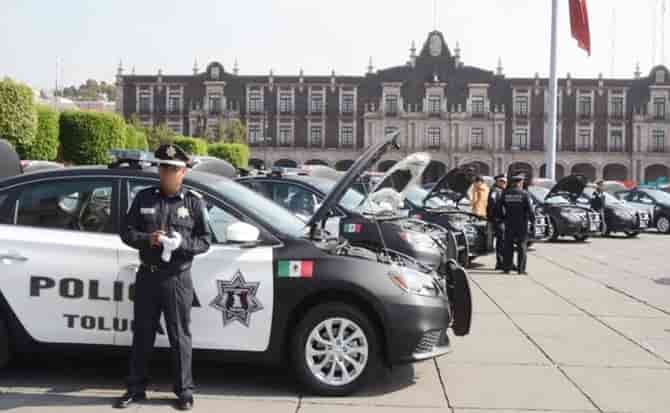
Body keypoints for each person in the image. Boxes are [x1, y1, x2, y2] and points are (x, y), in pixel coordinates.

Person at [115, 144, 212, 411]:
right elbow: (126, 232)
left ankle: (184, 392)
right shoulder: (144, 198)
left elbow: (205, 241)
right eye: (163, 168)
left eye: (173, 169)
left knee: (179, 336)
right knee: (142, 334)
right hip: (148, 275)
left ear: (183, 172)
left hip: (177, 279)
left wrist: (181, 244)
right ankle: (135, 389)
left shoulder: (193, 201)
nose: (167, 173)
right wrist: (149, 239)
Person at [497, 174, 533, 275]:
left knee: (508, 246)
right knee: (522, 246)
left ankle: (507, 268)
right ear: (520, 183)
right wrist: (532, 221)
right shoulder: (524, 194)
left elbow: (498, 207)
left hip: (509, 223)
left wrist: (502, 218)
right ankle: (521, 269)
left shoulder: (505, 193)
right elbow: (530, 209)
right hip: (522, 224)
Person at [487, 174, 507, 270]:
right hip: (498, 219)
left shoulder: (501, 190)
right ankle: (500, 262)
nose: (504, 183)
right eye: (502, 181)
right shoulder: (495, 191)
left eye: (505, 182)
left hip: (501, 219)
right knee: (501, 240)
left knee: (502, 240)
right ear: (497, 182)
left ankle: (502, 261)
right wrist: (494, 218)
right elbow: (492, 204)